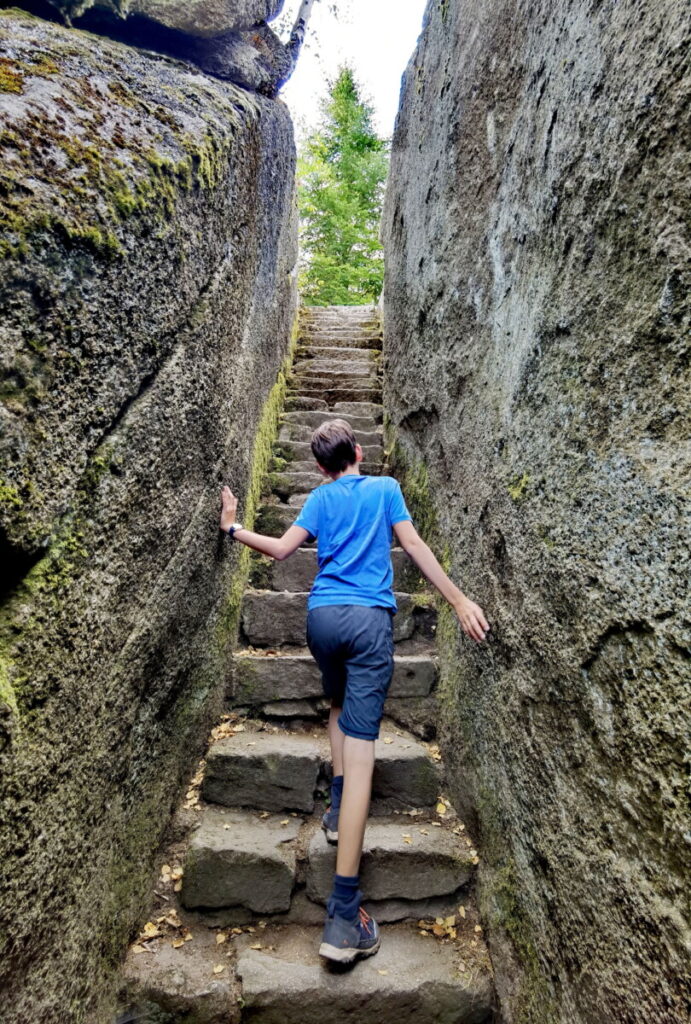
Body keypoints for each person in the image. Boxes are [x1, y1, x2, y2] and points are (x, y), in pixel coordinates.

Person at [219, 418, 489, 965]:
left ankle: (337, 807)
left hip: (321, 619)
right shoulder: (386, 489)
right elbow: (412, 545)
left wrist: (232, 528)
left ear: (320, 467)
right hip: (367, 623)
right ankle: (344, 916)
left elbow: (278, 551)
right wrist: (459, 600)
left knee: (339, 707)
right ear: (359, 452)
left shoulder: (319, 499)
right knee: (363, 744)